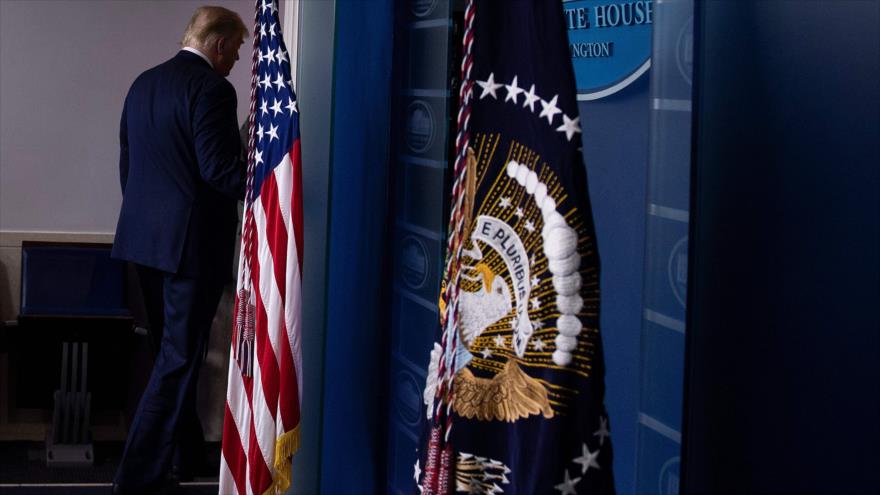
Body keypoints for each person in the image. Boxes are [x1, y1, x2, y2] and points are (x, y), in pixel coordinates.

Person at [111, 6, 248, 494]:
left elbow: (129, 169)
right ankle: (135, 479)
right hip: (189, 251)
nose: (235, 60)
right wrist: (264, 179)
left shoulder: (142, 83)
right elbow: (218, 172)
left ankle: (181, 459)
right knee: (177, 361)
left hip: (144, 244)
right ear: (216, 44)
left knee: (171, 357)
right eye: (234, 49)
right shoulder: (212, 88)